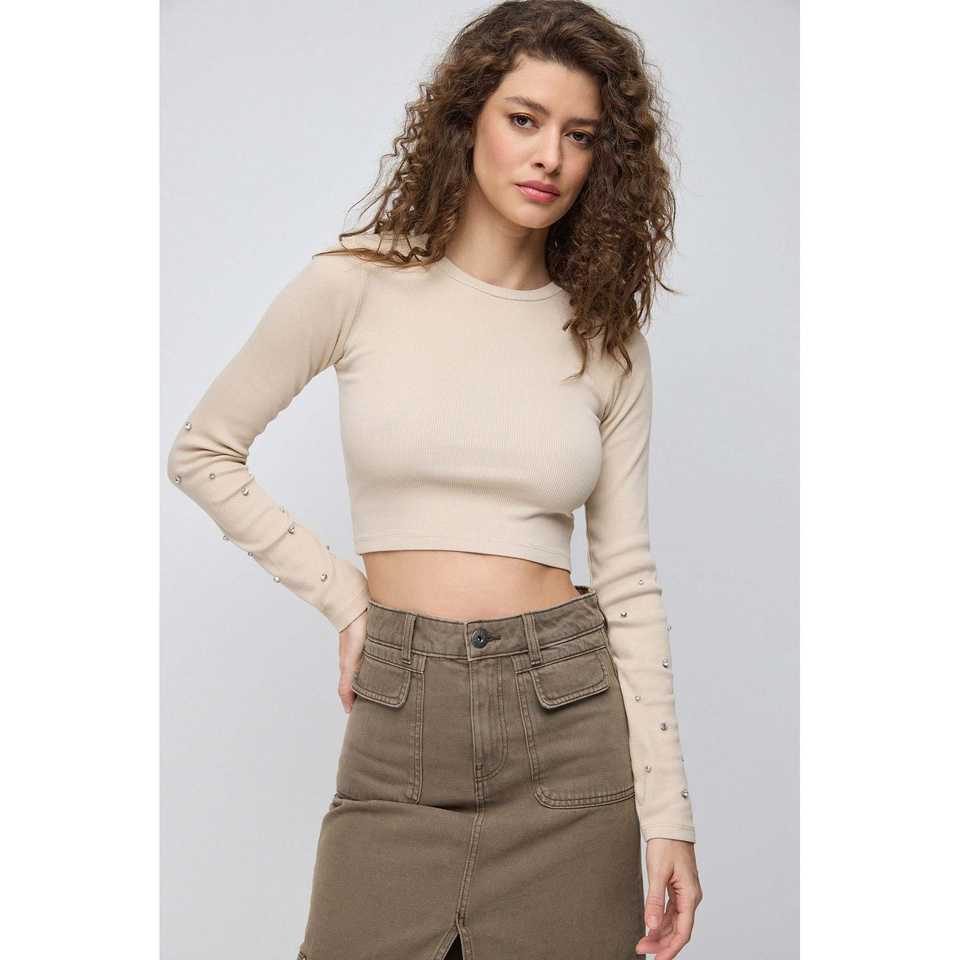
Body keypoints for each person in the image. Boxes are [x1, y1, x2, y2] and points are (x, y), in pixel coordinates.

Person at [166, 2, 704, 957]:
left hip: (569, 732)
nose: (549, 157)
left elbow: (626, 578)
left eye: (580, 135)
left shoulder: (606, 342)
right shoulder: (355, 284)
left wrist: (669, 817)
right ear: (468, 119)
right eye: (524, 119)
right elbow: (204, 450)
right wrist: (348, 601)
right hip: (400, 723)